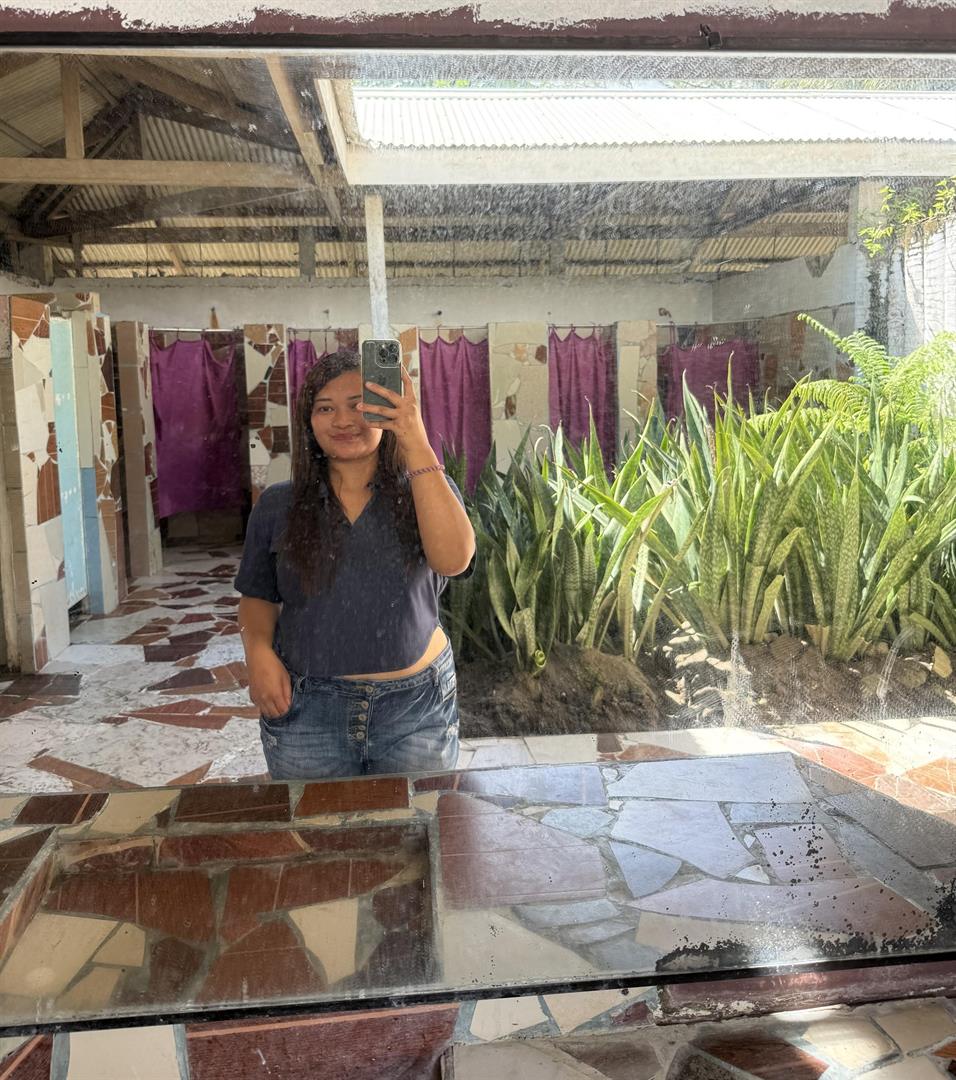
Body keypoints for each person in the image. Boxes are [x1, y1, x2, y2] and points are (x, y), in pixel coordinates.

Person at [234, 349, 476, 780]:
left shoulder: (425, 490)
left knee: (417, 818)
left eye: (359, 406)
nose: (343, 421)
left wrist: (415, 440)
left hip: (416, 708)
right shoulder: (278, 504)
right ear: (309, 422)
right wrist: (257, 653)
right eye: (325, 408)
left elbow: (454, 561)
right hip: (307, 709)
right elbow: (258, 596)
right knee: (316, 822)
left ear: (385, 412)